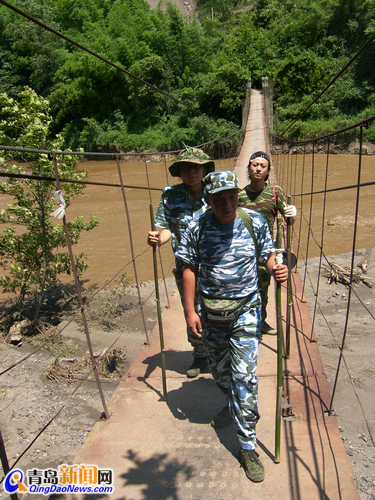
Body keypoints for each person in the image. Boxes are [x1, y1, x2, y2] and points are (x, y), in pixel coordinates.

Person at [175, 171, 288, 483]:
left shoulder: (254, 221)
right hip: (211, 313)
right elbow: (188, 266)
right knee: (221, 372)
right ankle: (233, 401)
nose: (227, 204)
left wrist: (276, 268)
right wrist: (189, 311)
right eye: (219, 199)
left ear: (239, 195)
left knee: (243, 376)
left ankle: (247, 444)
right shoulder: (196, 225)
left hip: (246, 310)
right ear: (208, 200)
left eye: (232, 197)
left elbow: (267, 254)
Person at [147, 146, 215, 378]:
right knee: (192, 310)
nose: (191, 172)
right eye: (186, 168)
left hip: (215, 264)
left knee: (218, 309)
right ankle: (200, 355)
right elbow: (167, 229)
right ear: (180, 171)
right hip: (186, 265)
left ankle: (219, 353)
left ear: (204, 169)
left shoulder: (215, 192)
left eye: (196, 168)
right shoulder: (169, 194)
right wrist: (158, 240)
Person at [238, 151, 297, 335]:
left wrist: (292, 216)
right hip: (243, 250)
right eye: (255, 165)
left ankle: (260, 322)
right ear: (249, 168)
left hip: (265, 250)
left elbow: (288, 221)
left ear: (268, 170)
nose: (258, 168)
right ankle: (243, 323)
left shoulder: (275, 191)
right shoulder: (239, 195)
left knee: (263, 288)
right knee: (244, 288)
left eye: (262, 166)